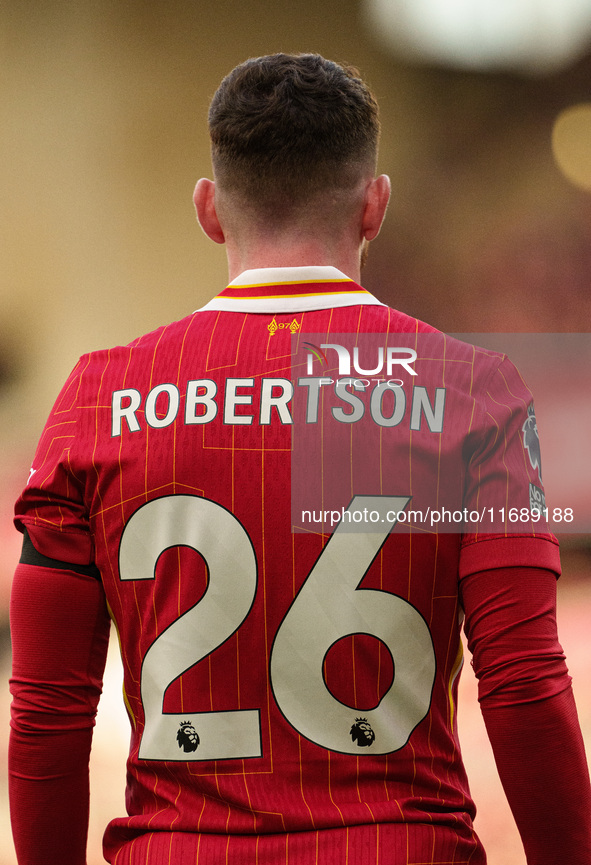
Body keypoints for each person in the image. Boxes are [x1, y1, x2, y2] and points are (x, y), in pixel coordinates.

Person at [8, 52, 591, 865]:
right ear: (374, 206)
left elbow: (47, 714)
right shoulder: (473, 392)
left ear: (209, 210)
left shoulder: (99, 396)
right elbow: (524, 682)